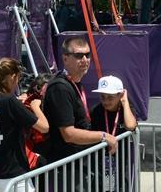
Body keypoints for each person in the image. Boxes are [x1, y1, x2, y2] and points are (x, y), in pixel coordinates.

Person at [42, 36, 117, 182]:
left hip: (76, 164)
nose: (85, 59)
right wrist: (104, 136)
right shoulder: (60, 88)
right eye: (78, 55)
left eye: (87, 55)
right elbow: (68, 134)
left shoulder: (75, 84)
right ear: (65, 59)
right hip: (63, 168)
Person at [0, 58, 48, 192]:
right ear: (12, 77)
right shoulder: (9, 101)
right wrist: (35, 106)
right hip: (15, 177)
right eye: (18, 78)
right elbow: (44, 127)